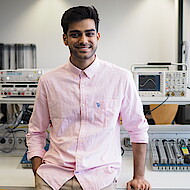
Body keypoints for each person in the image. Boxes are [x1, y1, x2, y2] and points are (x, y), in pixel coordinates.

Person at [26, 5, 151, 190]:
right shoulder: (48, 81)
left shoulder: (120, 78)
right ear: (65, 39)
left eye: (89, 33)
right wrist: (37, 169)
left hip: (100, 178)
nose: (83, 40)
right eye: (75, 34)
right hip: (53, 178)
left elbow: (137, 128)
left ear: (98, 37)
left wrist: (138, 176)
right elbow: (36, 131)